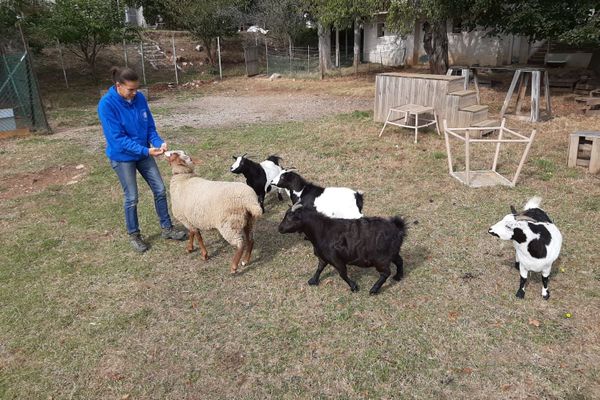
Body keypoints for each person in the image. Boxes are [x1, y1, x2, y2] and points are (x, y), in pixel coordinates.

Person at [98, 66, 186, 253]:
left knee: (160, 190)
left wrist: (158, 142)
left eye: (136, 88)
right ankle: (134, 235)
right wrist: (145, 150)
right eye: (130, 89)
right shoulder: (106, 105)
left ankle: (167, 228)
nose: (134, 93)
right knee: (132, 197)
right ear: (118, 86)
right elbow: (118, 139)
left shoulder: (139, 99)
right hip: (123, 157)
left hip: (143, 153)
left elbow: (149, 127)